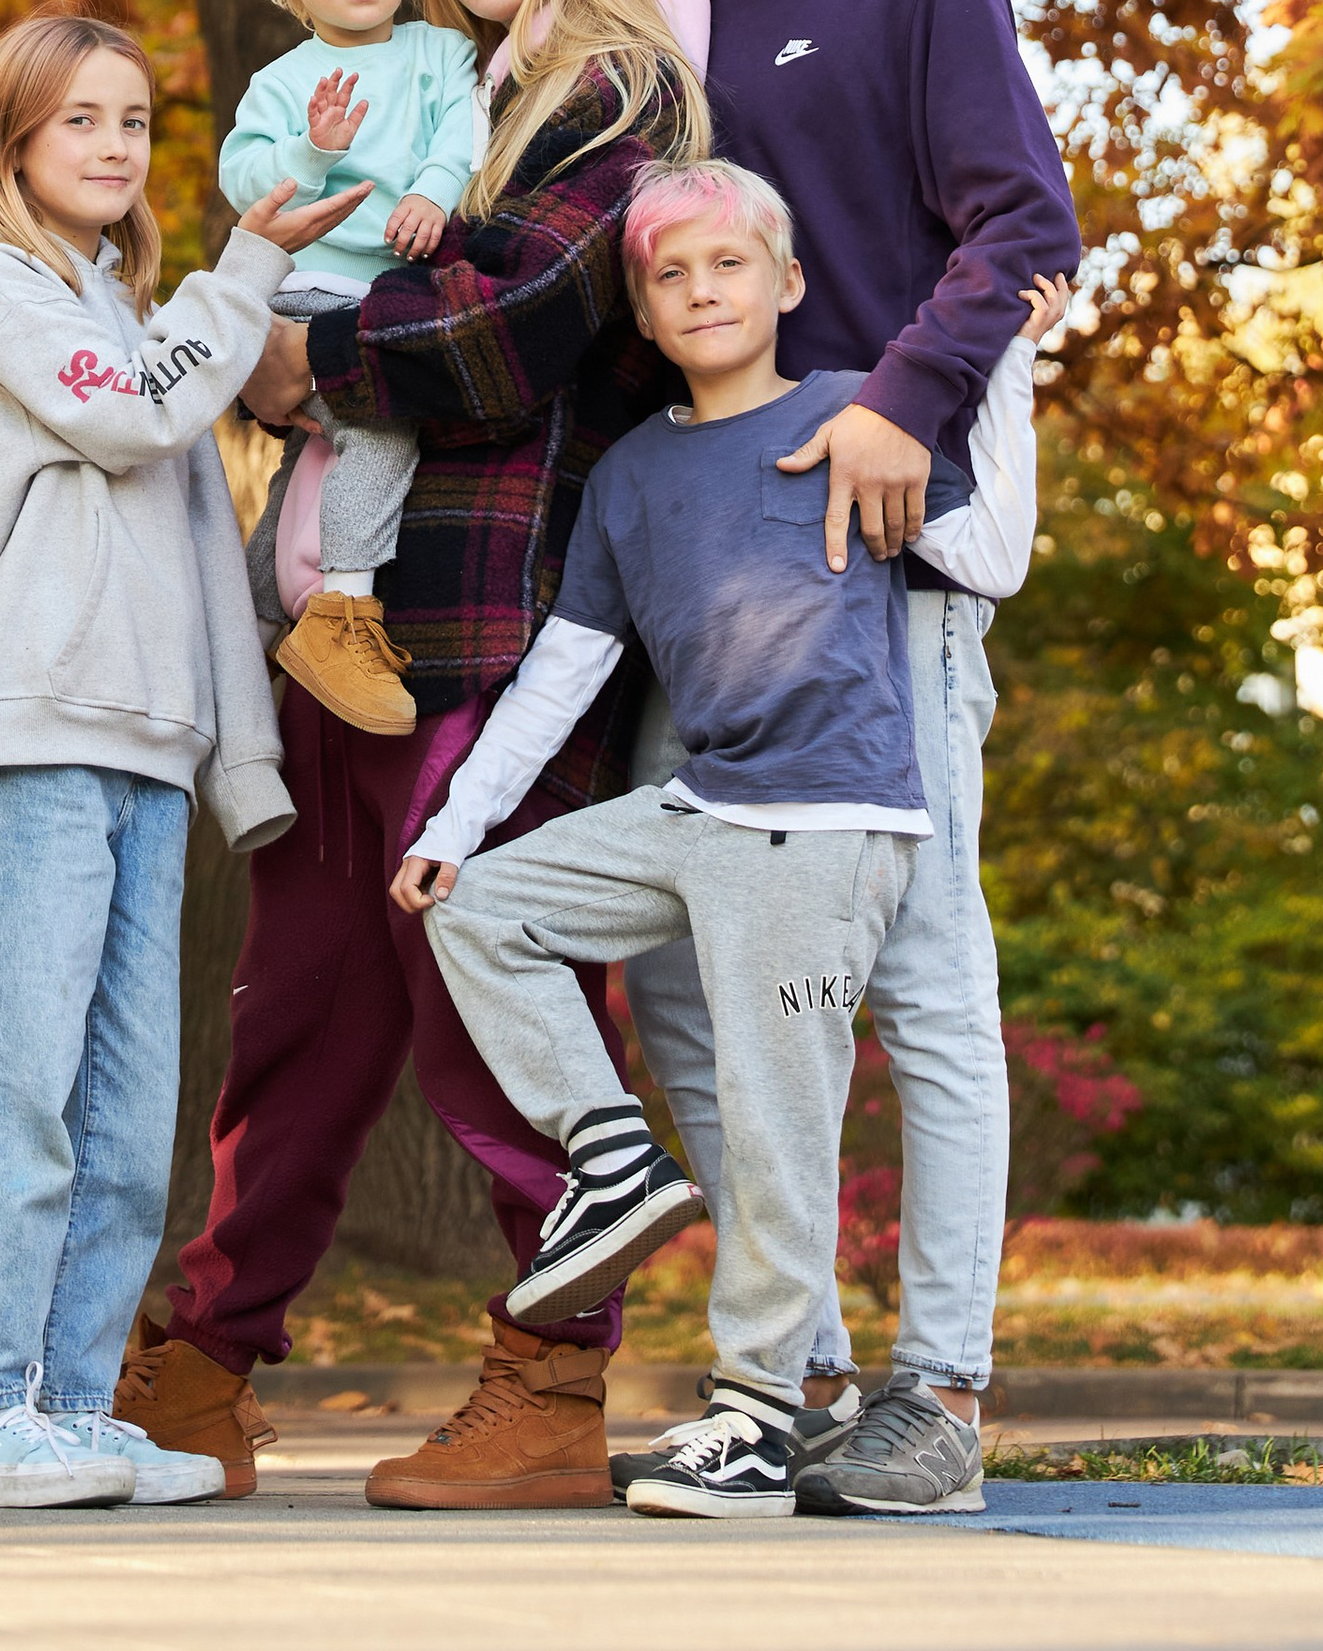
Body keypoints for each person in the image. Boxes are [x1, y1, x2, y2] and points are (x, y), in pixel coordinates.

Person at [118, 0, 711, 1512]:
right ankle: (205, 1367)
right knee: (297, 994)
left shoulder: (616, 90)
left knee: (481, 990)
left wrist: (290, 358)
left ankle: (553, 1383)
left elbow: (501, 328)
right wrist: (266, 335)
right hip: (350, 619)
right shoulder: (443, 89)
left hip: (500, 619)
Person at [395, 163, 1057, 1521]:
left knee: (773, 1123)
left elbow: (988, 558)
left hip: (824, 828)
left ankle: (759, 1418)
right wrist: (454, 825)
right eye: (671, 276)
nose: (703, 291)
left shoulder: (854, 418)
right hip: (708, 808)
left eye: (728, 267)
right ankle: (613, 1156)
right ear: (642, 312)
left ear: (786, 285)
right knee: (479, 910)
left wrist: (1014, 378)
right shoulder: (633, 477)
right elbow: (565, 669)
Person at [627, 0, 1083, 1519]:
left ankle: (943, 1394)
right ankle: (795, 1369)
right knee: (678, 974)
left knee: (923, 974)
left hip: (882, 548)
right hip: (706, 573)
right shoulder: (656, 22)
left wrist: (904, 404)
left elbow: (1025, 227)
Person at [0, 10, 367, 1509]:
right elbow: (140, 420)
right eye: (80, 119)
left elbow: (196, 546)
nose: (113, 146)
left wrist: (243, 760)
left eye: (135, 121)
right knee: (16, 1081)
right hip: (36, 725)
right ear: (16, 138)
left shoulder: (119, 296)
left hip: (148, 747)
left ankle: (67, 1404)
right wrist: (244, 269)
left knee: (122, 1102)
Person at [220, 0, 481, 736]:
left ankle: (249, 626)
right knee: (380, 418)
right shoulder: (283, 83)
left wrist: (429, 194)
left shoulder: (439, 51)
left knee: (309, 465)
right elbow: (242, 176)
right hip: (311, 292)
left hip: (389, 294)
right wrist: (312, 153)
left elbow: (463, 134)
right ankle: (342, 612)